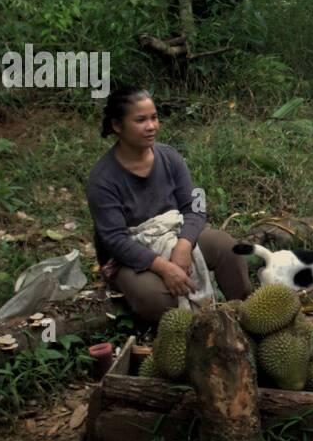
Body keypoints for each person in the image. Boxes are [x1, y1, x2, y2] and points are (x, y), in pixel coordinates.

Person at [85, 87, 249, 323]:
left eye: (154, 117)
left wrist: (183, 246)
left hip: (173, 235)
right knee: (155, 298)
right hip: (128, 256)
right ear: (118, 126)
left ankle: (241, 315)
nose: (151, 126)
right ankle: (188, 331)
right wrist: (164, 267)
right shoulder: (102, 180)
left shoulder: (170, 157)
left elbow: (195, 206)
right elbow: (115, 240)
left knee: (226, 247)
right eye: (141, 120)